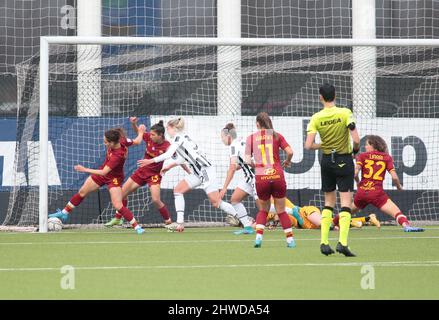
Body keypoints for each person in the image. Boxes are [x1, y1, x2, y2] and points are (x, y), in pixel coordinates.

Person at [138, 117, 240, 232]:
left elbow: (169, 154)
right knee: (177, 190)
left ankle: (242, 218)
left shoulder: (179, 138)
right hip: (197, 172)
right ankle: (180, 223)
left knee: (216, 202)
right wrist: (169, 166)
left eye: (168, 128)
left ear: (173, 128)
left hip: (205, 170)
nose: (167, 131)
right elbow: (182, 158)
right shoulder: (182, 138)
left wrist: (150, 161)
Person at [49, 126, 146, 234]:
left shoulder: (117, 155)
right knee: (82, 191)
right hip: (102, 173)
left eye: (106, 142)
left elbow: (104, 172)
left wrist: (85, 169)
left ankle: (137, 227)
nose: (104, 144)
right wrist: (141, 132)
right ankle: (64, 212)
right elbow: (137, 141)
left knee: (118, 205)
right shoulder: (122, 140)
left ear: (112, 143)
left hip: (113, 178)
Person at [305, 83, 360, 257]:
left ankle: (324, 242)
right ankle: (342, 243)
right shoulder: (345, 113)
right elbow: (356, 140)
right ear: (335, 95)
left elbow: (308, 145)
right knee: (345, 202)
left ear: (320, 97)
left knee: (328, 202)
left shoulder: (316, 118)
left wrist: (323, 144)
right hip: (344, 159)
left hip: (327, 160)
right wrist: (355, 150)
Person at [105, 117, 190, 228]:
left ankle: (168, 222)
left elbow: (176, 157)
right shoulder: (149, 138)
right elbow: (139, 133)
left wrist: (184, 166)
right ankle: (118, 219)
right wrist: (134, 124)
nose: (150, 136)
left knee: (156, 200)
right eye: (150, 134)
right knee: (121, 194)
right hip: (141, 172)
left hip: (154, 176)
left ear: (160, 136)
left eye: (153, 135)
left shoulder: (167, 145)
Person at [352, 135, 424, 232]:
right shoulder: (386, 157)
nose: (365, 147)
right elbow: (394, 177)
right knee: (397, 213)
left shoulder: (362, 156)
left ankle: (333, 224)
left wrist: (358, 183)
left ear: (373, 145)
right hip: (377, 193)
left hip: (362, 192)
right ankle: (406, 226)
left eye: (366, 144)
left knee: (346, 212)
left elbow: (355, 173)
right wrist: (399, 187)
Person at [245, 112, 295, 248]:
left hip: (261, 177)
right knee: (281, 210)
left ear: (257, 124)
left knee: (263, 210)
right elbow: (290, 152)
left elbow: (247, 160)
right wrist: (287, 161)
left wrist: (255, 165)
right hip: (277, 175)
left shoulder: (250, 138)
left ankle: (258, 238)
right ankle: (290, 241)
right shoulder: (276, 135)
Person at [220, 123, 257, 235]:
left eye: (222, 137)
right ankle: (248, 227)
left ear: (228, 136)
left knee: (265, 207)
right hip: (249, 178)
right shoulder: (241, 141)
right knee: (235, 200)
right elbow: (245, 160)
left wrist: (224, 188)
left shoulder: (233, 146)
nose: (222, 140)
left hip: (256, 178)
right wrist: (238, 166)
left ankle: (293, 211)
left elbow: (231, 168)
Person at [263, 197, 381, 230]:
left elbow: (284, 215)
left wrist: (274, 220)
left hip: (305, 212)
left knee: (324, 224)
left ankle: (355, 221)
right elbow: (259, 223)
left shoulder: (279, 200)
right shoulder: (267, 210)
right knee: (331, 225)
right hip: (305, 225)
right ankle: (367, 219)